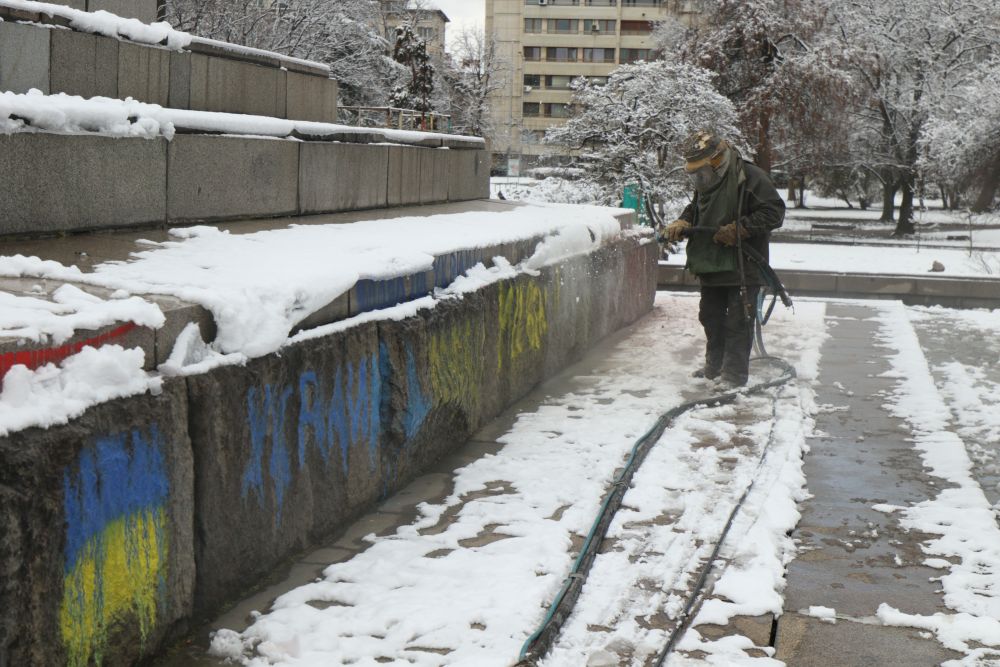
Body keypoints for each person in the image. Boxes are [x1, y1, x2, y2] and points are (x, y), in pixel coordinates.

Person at [664, 130, 785, 387]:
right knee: (711, 316)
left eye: (702, 171)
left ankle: (734, 376)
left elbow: (774, 212)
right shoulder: (709, 182)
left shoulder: (750, 177)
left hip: (743, 265)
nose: (699, 178)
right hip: (712, 264)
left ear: (718, 161)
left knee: (738, 322)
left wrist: (740, 229)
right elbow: (697, 208)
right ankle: (714, 368)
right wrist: (683, 220)